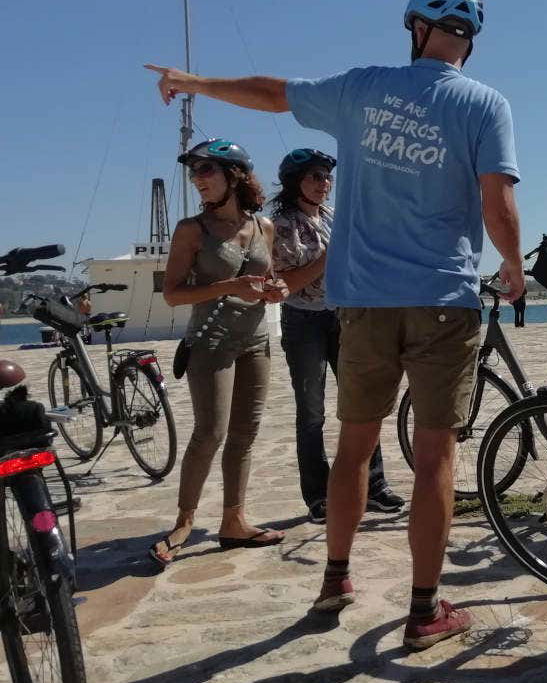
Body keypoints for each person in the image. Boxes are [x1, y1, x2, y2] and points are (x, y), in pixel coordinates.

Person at [145, 0, 524, 649]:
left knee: (353, 445)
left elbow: (272, 94)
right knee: (435, 459)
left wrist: (195, 82)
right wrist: (515, 268)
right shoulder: (485, 104)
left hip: (364, 302)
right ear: (472, 41)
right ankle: (425, 610)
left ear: (416, 28)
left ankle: (335, 578)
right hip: (441, 298)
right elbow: (498, 203)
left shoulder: (363, 88)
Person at [150, 138, 290, 568]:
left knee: (245, 435)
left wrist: (277, 289)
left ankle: (234, 520)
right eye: (194, 173)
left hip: (256, 343)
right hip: (210, 344)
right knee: (210, 433)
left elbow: (272, 278)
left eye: (206, 170)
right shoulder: (192, 231)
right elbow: (172, 295)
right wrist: (229, 286)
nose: (197, 180)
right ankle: (183, 522)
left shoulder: (264, 227)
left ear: (235, 175)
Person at [269, 148, 405, 524]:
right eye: (315, 176)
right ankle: (318, 495)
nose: (324, 183)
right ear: (295, 181)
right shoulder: (282, 224)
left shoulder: (334, 217)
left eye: (327, 177)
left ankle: (373, 487)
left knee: (362, 405)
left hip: (345, 318)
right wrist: (331, 256)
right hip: (304, 323)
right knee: (311, 412)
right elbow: (288, 283)